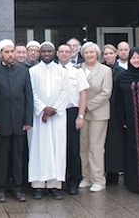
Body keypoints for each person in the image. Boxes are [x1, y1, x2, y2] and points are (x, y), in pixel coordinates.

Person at [0, 39, 33, 203]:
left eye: (12, 51)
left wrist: (28, 119)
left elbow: (29, 97)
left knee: (18, 157)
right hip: (1, 122)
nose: (10, 54)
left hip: (20, 122)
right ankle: (0, 188)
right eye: (6, 52)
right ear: (1, 54)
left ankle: (17, 188)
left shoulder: (23, 72)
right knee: (1, 157)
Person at [28, 42, 72, 200]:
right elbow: (31, 93)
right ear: (40, 53)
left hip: (57, 118)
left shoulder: (62, 71)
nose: (46, 54)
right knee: (38, 149)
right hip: (38, 117)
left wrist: (53, 110)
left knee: (57, 149)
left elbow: (66, 93)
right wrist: (43, 109)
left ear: (54, 53)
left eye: (49, 51)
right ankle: (38, 185)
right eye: (43, 51)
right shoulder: (32, 71)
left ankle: (54, 185)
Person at [114, 47, 139, 193]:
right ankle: (134, 184)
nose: (136, 61)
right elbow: (118, 100)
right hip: (130, 122)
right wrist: (122, 119)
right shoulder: (123, 76)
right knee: (132, 152)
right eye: (133, 58)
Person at [78, 42, 113, 193]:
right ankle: (87, 177)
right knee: (84, 147)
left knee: (96, 147)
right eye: (86, 53)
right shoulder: (79, 68)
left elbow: (106, 93)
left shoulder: (105, 70)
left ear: (97, 54)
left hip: (98, 113)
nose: (89, 55)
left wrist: (87, 105)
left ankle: (99, 179)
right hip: (82, 115)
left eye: (92, 52)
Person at [56, 43, 88, 196]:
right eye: (61, 51)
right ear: (57, 54)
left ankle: (73, 181)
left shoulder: (77, 72)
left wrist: (80, 116)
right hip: (55, 114)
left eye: (66, 52)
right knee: (57, 148)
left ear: (71, 54)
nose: (63, 54)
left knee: (73, 148)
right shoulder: (52, 71)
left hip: (71, 112)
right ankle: (57, 181)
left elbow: (83, 95)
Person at [102, 44, 125, 185]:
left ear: (116, 54)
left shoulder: (121, 72)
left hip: (115, 111)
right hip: (101, 109)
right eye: (106, 54)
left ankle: (113, 173)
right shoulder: (100, 69)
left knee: (114, 144)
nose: (109, 56)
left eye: (111, 53)